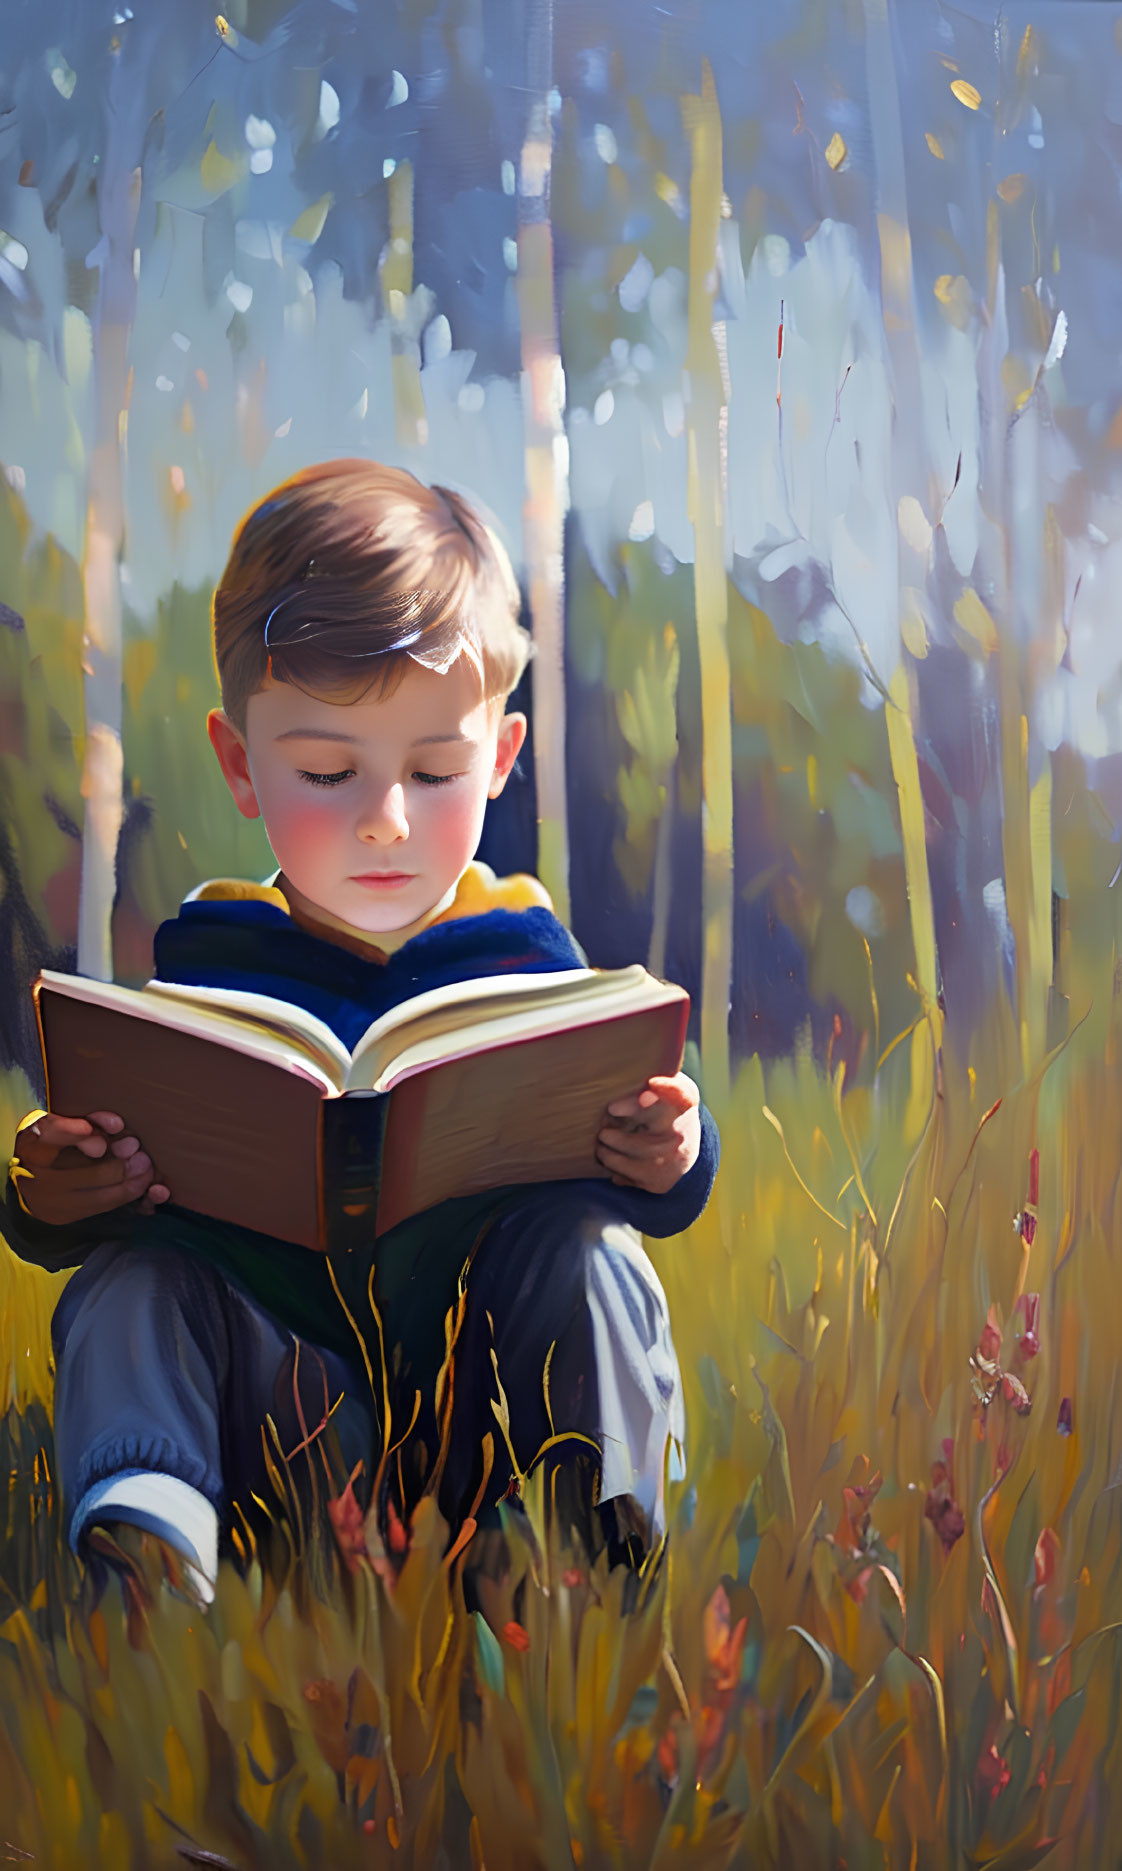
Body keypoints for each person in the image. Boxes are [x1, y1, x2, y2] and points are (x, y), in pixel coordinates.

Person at [3, 460, 719, 1608]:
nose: (386, 818)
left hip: (474, 1399)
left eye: (435, 770)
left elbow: (635, 1156)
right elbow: (102, 1179)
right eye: (328, 770)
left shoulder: (530, 956)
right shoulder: (210, 960)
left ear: (501, 756)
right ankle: (152, 1542)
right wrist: (58, 1192)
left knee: (595, 1255)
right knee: (131, 1278)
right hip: (275, 1407)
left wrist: (672, 1154)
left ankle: (588, 1543)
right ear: (240, 763)